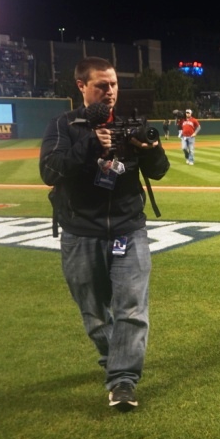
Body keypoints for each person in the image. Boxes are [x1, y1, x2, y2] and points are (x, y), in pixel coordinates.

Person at [39, 57, 170, 412]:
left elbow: (158, 172)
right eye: (101, 85)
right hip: (81, 232)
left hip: (128, 228)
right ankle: (114, 359)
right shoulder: (63, 125)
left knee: (131, 307)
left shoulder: (132, 123)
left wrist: (152, 150)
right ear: (81, 86)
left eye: (113, 84)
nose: (110, 92)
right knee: (95, 313)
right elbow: (50, 171)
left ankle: (123, 380)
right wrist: (90, 146)